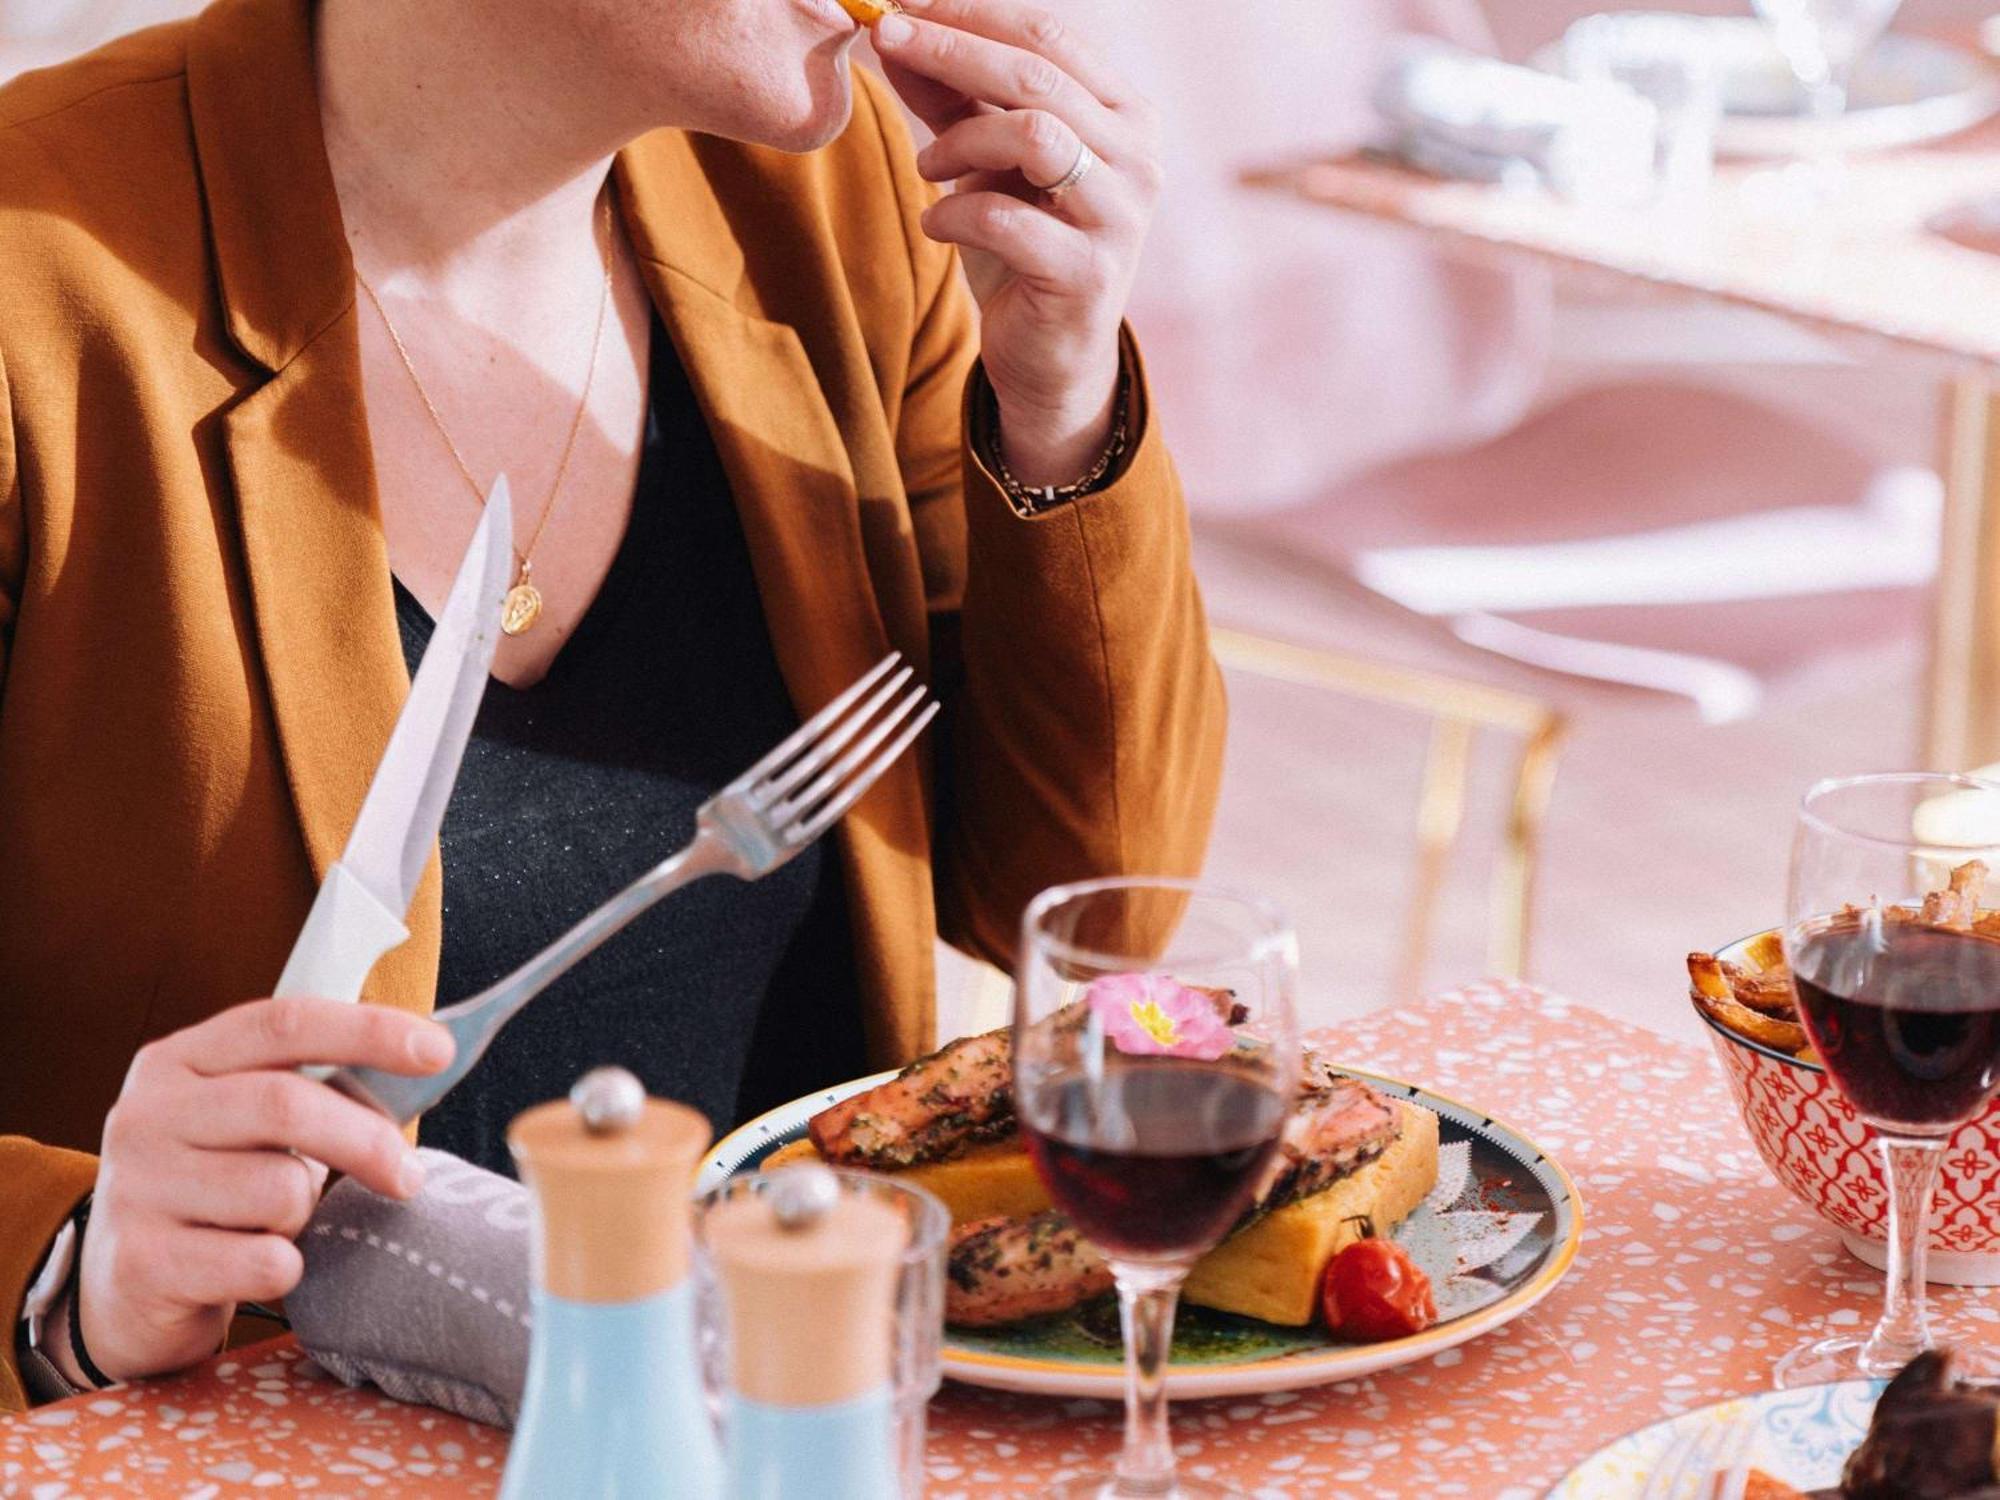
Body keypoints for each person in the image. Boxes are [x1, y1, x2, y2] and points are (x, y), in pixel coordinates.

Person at [0, 0, 1224, 1408]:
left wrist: (1061, 402)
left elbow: (1095, 909)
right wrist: (71, 1271)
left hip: (806, 1424)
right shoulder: (34, 276)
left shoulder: (847, 207)